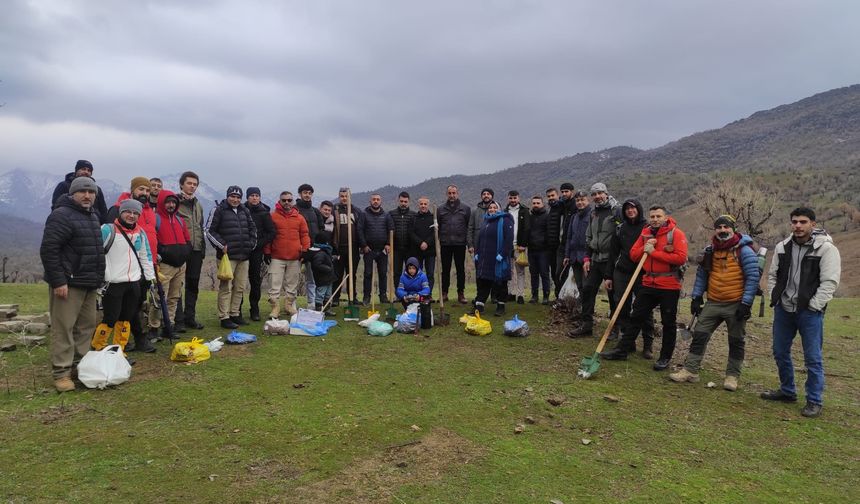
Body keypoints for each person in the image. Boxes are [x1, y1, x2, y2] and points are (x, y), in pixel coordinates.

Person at [761, 208, 841, 418]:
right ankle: (788, 391)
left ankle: (814, 400)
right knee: (780, 351)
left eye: (803, 222)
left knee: (813, 358)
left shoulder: (826, 249)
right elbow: (773, 275)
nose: (798, 226)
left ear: (813, 224)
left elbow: (830, 282)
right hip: (784, 309)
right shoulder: (782, 247)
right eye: (794, 221)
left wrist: (814, 305)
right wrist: (775, 296)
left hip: (809, 312)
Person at [670, 215, 760, 389]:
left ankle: (732, 377)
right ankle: (691, 370)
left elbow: (753, 278)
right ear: (715, 230)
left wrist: (746, 303)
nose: (722, 230)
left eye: (726, 227)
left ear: (733, 229)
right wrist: (696, 297)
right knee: (700, 335)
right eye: (719, 227)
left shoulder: (745, 251)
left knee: (736, 341)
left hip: (736, 303)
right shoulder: (710, 251)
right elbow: (702, 275)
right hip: (713, 302)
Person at [600, 205, 688, 371]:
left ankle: (664, 357)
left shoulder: (676, 234)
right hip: (648, 282)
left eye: (658, 216)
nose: (655, 219)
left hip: (669, 284)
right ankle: (622, 350)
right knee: (636, 316)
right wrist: (644, 247)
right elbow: (633, 255)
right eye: (652, 216)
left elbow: (680, 258)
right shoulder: (646, 233)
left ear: (665, 217)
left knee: (668, 322)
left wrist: (653, 252)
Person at [40, 176, 106, 392]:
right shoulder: (61, 215)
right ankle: (61, 373)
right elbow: (49, 250)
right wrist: (59, 280)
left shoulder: (92, 215)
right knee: (64, 328)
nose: (87, 195)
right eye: (82, 192)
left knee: (86, 327)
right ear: (73, 194)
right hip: (68, 283)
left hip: (89, 282)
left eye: (91, 192)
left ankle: (81, 368)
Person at [95, 199, 156, 361]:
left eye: (136, 213)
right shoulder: (107, 230)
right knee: (110, 318)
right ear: (120, 212)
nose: (131, 215)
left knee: (126, 318)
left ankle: (119, 351)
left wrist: (150, 278)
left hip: (133, 283)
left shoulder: (140, 233)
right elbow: (96, 253)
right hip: (113, 283)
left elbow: (146, 255)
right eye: (128, 212)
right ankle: (98, 347)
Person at [109, 177, 159, 350]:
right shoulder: (117, 209)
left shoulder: (150, 212)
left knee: (137, 305)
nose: (144, 193)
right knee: (122, 309)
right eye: (141, 189)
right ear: (132, 190)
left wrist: (152, 266)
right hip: (121, 271)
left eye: (147, 190)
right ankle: (133, 340)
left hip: (144, 267)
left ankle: (132, 340)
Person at [570, 183, 621, 337]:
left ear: (606, 193)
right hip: (594, 259)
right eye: (594, 194)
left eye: (600, 193)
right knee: (587, 290)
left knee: (612, 295)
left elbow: (622, 234)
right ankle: (586, 325)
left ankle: (614, 328)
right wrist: (586, 258)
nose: (597, 196)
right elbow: (589, 237)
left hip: (610, 260)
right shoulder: (594, 213)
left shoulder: (616, 211)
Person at [205, 185, 257, 329]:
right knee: (226, 287)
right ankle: (224, 317)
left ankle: (235, 313)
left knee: (240, 287)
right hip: (226, 257)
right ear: (227, 196)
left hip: (244, 256)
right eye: (232, 196)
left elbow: (253, 229)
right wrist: (222, 246)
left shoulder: (244, 210)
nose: (235, 199)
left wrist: (251, 245)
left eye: (238, 197)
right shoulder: (219, 209)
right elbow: (209, 231)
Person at [609, 199, 655, 357]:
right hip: (622, 272)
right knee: (621, 306)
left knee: (644, 308)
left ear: (639, 209)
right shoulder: (620, 228)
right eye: (627, 208)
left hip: (642, 272)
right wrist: (609, 276)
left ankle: (648, 344)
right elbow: (613, 252)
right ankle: (628, 342)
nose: (630, 211)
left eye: (633, 208)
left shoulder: (648, 228)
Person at [146, 190, 191, 344]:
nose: (171, 205)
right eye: (168, 202)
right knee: (159, 297)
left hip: (180, 265)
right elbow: (152, 240)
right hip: (164, 265)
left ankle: (168, 325)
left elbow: (187, 239)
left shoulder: (179, 220)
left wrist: (186, 252)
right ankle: (153, 327)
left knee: (174, 296)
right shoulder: (156, 219)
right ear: (162, 203)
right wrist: (162, 253)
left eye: (173, 202)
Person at [265, 191, 310, 318]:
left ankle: (289, 306)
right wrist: (267, 252)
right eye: (284, 200)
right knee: (274, 285)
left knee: (292, 284)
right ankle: (275, 308)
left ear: (293, 201)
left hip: (295, 257)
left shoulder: (299, 218)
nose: (286, 202)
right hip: (276, 257)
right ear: (279, 201)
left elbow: (305, 235)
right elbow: (269, 235)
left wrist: (306, 251)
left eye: (289, 200)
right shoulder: (272, 216)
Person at [175, 171, 206, 331]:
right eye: (189, 183)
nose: (192, 186)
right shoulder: (175, 202)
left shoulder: (198, 204)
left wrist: (202, 248)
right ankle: (178, 320)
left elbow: (200, 227)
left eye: (195, 184)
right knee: (177, 285)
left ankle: (190, 317)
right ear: (182, 184)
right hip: (180, 249)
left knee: (193, 284)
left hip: (196, 250)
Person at [473, 201, 514, 316]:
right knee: (484, 282)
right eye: (490, 208)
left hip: (498, 258)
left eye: (494, 207)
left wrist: (503, 253)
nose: (492, 209)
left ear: (499, 209)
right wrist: (477, 252)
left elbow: (509, 239)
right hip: (485, 258)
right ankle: (479, 306)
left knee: (500, 283)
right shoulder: (486, 221)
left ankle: (501, 307)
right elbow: (480, 239)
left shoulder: (505, 220)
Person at [244, 187, 275, 321]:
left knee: (255, 281)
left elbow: (271, 232)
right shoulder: (241, 210)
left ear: (260, 197)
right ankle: (236, 311)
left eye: (257, 195)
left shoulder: (264, 213)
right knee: (238, 282)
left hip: (257, 251)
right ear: (247, 197)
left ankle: (254, 310)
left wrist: (259, 243)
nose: (254, 198)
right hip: (242, 250)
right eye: (252, 196)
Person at [437, 185, 471, 304]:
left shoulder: (466, 208)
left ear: (458, 193)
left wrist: (468, 243)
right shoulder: (440, 209)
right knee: (445, 270)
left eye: (454, 193)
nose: (452, 195)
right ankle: (444, 293)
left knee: (460, 269)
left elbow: (468, 227)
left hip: (460, 243)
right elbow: (438, 227)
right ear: (446, 194)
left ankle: (460, 293)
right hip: (445, 243)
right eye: (450, 193)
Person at [332, 188, 366, 305]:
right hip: (339, 248)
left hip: (353, 248)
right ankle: (335, 298)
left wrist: (362, 244)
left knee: (352, 274)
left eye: (346, 196)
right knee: (338, 274)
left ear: (350, 197)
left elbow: (361, 229)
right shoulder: (334, 210)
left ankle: (353, 298)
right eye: (342, 196)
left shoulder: (356, 211)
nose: (344, 198)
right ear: (339, 197)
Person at [51, 160, 110, 224]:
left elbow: (103, 211)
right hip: (70, 226)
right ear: (76, 170)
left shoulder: (97, 189)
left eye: (89, 170)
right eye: (83, 169)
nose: (86, 172)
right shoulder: (64, 186)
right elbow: (56, 207)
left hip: (94, 227)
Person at [362, 193, 394, 304]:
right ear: (370, 201)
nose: (376, 201)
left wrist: (388, 244)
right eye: (374, 199)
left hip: (382, 250)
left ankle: (383, 296)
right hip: (368, 249)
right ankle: (366, 297)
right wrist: (364, 245)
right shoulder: (364, 215)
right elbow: (360, 231)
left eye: (378, 199)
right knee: (368, 273)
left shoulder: (386, 215)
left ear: (381, 201)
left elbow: (391, 230)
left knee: (383, 273)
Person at [296, 184, 325, 308]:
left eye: (309, 193)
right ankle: (291, 304)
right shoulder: (295, 210)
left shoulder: (315, 211)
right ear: (300, 194)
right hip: (297, 249)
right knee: (293, 278)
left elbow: (321, 228)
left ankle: (311, 303)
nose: (307, 195)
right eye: (304, 193)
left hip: (312, 249)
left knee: (311, 278)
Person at [505, 190, 530, 304]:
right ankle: (510, 293)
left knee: (520, 271)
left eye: (515, 198)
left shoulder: (524, 211)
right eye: (511, 198)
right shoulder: (505, 212)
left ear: (518, 198)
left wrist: (523, 244)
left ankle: (520, 294)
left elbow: (527, 229)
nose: (513, 200)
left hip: (520, 246)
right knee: (508, 271)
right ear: (508, 199)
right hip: (508, 246)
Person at [526, 195, 551, 304]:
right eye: (534, 203)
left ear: (542, 204)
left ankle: (546, 296)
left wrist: (545, 243)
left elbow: (549, 232)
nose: (536, 205)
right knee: (534, 274)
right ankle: (534, 295)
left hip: (543, 250)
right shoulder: (530, 217)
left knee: (544, 273)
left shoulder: (547, 216)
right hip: (531, 250)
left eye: (538, 203)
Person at [554, 183, 577, 298]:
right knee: (559, 273)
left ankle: (569, 299)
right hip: (562, 244)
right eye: (562, 192)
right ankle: (560, 297)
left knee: (570, 274)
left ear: (572, 191)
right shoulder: (562, 205)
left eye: (566, 191)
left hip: (572, 245)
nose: (564, 194)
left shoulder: (575, 206)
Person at [410, 196, 436, 296]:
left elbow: (435, 233)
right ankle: (418, 294)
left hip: (430, 251)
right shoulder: (414, 218)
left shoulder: (433, 218)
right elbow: (411, 233)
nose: (423, 206)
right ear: (418, 205)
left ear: (428, 205)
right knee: (417, 273)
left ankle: (428, 294)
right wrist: (420, 243)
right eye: (421, 204)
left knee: (430, 274)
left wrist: (427, 243)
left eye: (425, 204)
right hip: (417, 251)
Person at [305, 230, 336, 315]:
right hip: (322, 278)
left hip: (329, 278)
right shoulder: (319, 252)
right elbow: (317, 264)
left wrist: (333, 258)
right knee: (320, 294)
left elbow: (327, 260)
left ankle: (327, 310)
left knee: (328, 295)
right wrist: (328, 268)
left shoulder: (325, 251)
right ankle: (318, 310)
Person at [390, 192, 416, 288]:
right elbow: (389, 230)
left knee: (411, 271)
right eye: (401, 201)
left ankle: (410, 292)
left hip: (410, 249)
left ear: (408, 202)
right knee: (396, 272)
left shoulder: (414, 215)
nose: (403, 203)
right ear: (398, 201)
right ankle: (398, 292)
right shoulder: (391, 214)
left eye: (405, 201)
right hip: (396, 249)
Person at [544, 187, 562, 296]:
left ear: (557, 195)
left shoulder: (561, 207)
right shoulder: (551, 209)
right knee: (554, 273)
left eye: (552, 195)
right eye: (549, 196)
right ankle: (557, 295)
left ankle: (562, 296)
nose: (551, 198)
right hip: (550, 247)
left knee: (559, 273)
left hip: (559, 246)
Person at [467, 188, 494, 256]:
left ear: (492, 196)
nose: (486, 196)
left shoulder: (497, 210)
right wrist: (470, 245)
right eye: (484, 194)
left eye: (488, 194)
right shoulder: (475, 211)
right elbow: (470, 228)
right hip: (478, 244)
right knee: (479, 265)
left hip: (493, 244)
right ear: (481, 196)